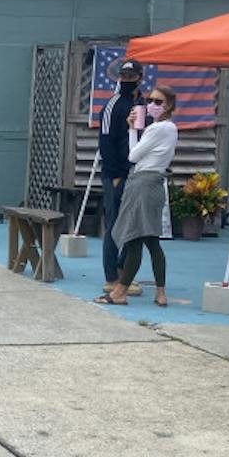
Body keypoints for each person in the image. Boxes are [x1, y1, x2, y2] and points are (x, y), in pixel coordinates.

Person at [98, 86, 179, 308]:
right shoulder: (170, 128)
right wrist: (133, 129)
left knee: (133, 238)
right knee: (152, 240)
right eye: (151, 99)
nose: (152, 104)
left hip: (141, 182)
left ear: (169, 105)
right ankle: (160, 292)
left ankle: (120, 291)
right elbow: (137, 152)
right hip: (156, 182)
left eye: (159, 101)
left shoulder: (157, 129)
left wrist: (133, 130)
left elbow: (133, 155)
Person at [98, 56, 144, 298]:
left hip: (136, 173)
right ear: (118, 78)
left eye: (131, 77)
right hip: (115, 174)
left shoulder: (142, 104)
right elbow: (105, 142)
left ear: (140, 78)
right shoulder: (112, 105)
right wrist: (115, 174)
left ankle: (124, 272)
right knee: (115, 224)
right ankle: (111, 277)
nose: (127, 80)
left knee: (132, 225)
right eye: (123, 76)